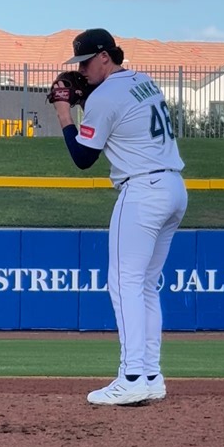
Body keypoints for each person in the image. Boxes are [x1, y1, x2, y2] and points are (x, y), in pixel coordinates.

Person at [52, 28, 188, 406]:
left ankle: (131, 376)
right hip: (174, 188)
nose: (81, 70)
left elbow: (83, 157)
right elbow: (120, 115)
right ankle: (151, 375)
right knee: (144, 285)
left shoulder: (106, 95)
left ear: (105, 57)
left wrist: (65, 113)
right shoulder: (143, 80)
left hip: (142, 191)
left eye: (85, 62)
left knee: (124, 283)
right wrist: (87, 101)